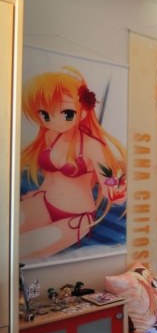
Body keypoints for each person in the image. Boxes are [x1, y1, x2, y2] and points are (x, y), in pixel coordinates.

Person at [20, 67, 127, 260]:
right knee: (7, 235)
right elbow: (53, 175)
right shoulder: (51, 136)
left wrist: (117, 189)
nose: (54, 122)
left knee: (23, 249)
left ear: (83, 112)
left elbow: (111, 187)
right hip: (45, 202)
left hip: (75, 218)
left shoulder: (92, 146)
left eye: (67, 113)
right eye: (45, 115)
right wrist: (40, 192)